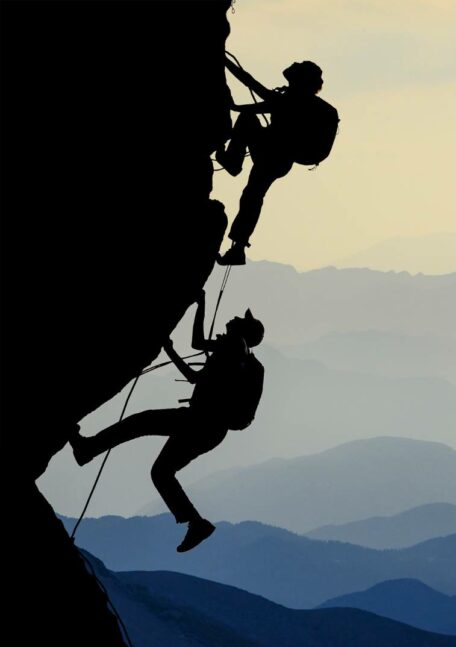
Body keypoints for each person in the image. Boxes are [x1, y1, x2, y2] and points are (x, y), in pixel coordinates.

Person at [69, 292, 265, 552]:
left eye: (239, 318)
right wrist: (172, 349)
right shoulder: (243, 357)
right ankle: (195, 522)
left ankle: (88, 449)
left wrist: (199, 307)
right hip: (210, 429)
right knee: (161, 470)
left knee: (140, 424)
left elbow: (195, 357)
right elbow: (197, 361)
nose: (233, 318)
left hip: (198, 421)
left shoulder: (232, 347)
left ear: (244, 330)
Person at [215, 58, 338, 266]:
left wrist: (223, 61)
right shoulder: (310, 105)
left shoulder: (291, 101)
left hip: (271, 154)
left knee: (252, 194)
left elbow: (250, 84)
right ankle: (238, 248)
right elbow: (253, 87)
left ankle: (233, 161)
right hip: (282, 159)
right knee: (253, 195)